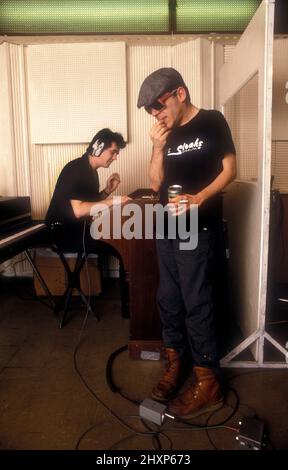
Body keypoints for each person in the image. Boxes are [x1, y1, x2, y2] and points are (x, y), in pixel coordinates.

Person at [137, 68, 236, 418]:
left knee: (197, 300)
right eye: (150, 111)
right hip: (166, 225)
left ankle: (208, 381)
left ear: (180, 93)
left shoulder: (212, 121)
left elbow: (229, 169)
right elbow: (154, 184)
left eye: (158, 106)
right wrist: (157, 147)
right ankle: (176, 364)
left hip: (198, 225)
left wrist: (200, 198)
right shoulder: (165, 134)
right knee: (169, 297)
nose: (155, 115)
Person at [45, 128, 129, 250]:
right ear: (98, 148)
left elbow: (90, 205)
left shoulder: (91, 172)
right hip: (62, 232)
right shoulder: (76, 169)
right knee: (118, 244)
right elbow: (79, 210)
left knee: (120, 237)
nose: (115, 157)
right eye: (113, 152)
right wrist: (115, 201)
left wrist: (107, 191)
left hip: (77, 228)